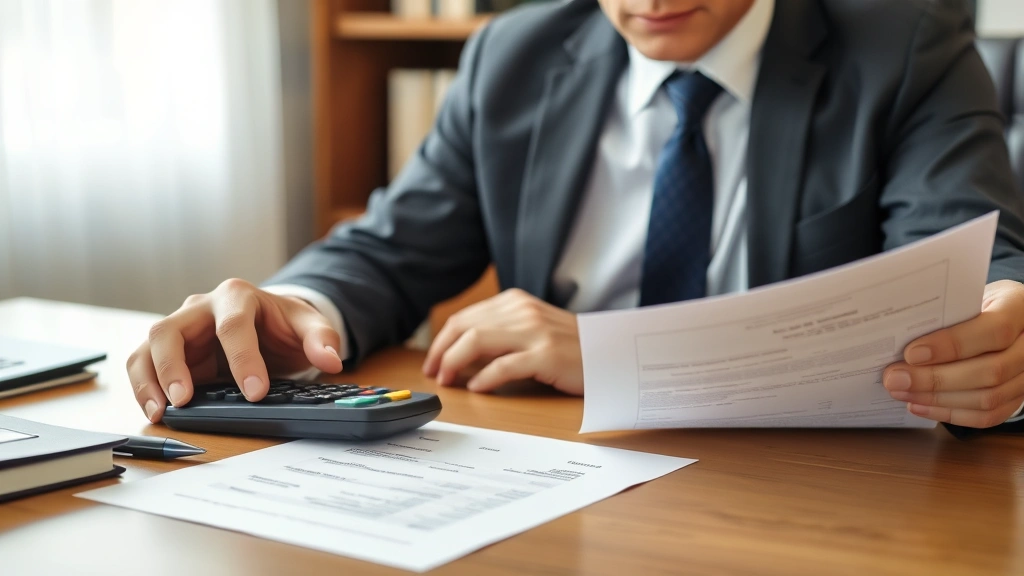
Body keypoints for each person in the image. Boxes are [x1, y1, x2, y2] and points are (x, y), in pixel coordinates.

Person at [128, 0, 1024, 433]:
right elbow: (392, 248)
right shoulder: (512, 56)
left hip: (809, 494)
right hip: (561, 470)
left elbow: (975, 277)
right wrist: (294, 311)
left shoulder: (908, 51)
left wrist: (618, 354)